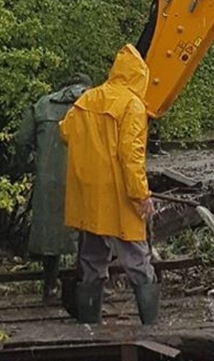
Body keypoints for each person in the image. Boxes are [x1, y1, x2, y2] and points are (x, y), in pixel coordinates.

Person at [59, 44, 158, 325]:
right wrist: (141, 195)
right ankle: (150, 324)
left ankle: (90, 323)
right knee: (137, 259)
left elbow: (65, 132)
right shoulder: (132, 105)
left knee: (91, 257)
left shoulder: (86, 100)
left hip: (88, 195)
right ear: (140, 76)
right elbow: (131, 155)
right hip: (118, 195)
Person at [16, 73, 91, 305]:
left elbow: (21, 140)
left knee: (50, 232)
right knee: (88, 231)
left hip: (48, 179)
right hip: (85, 178)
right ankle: (87, 286)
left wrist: (30, 166)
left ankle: (50, 286)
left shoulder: (41, 105)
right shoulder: (94, 102)